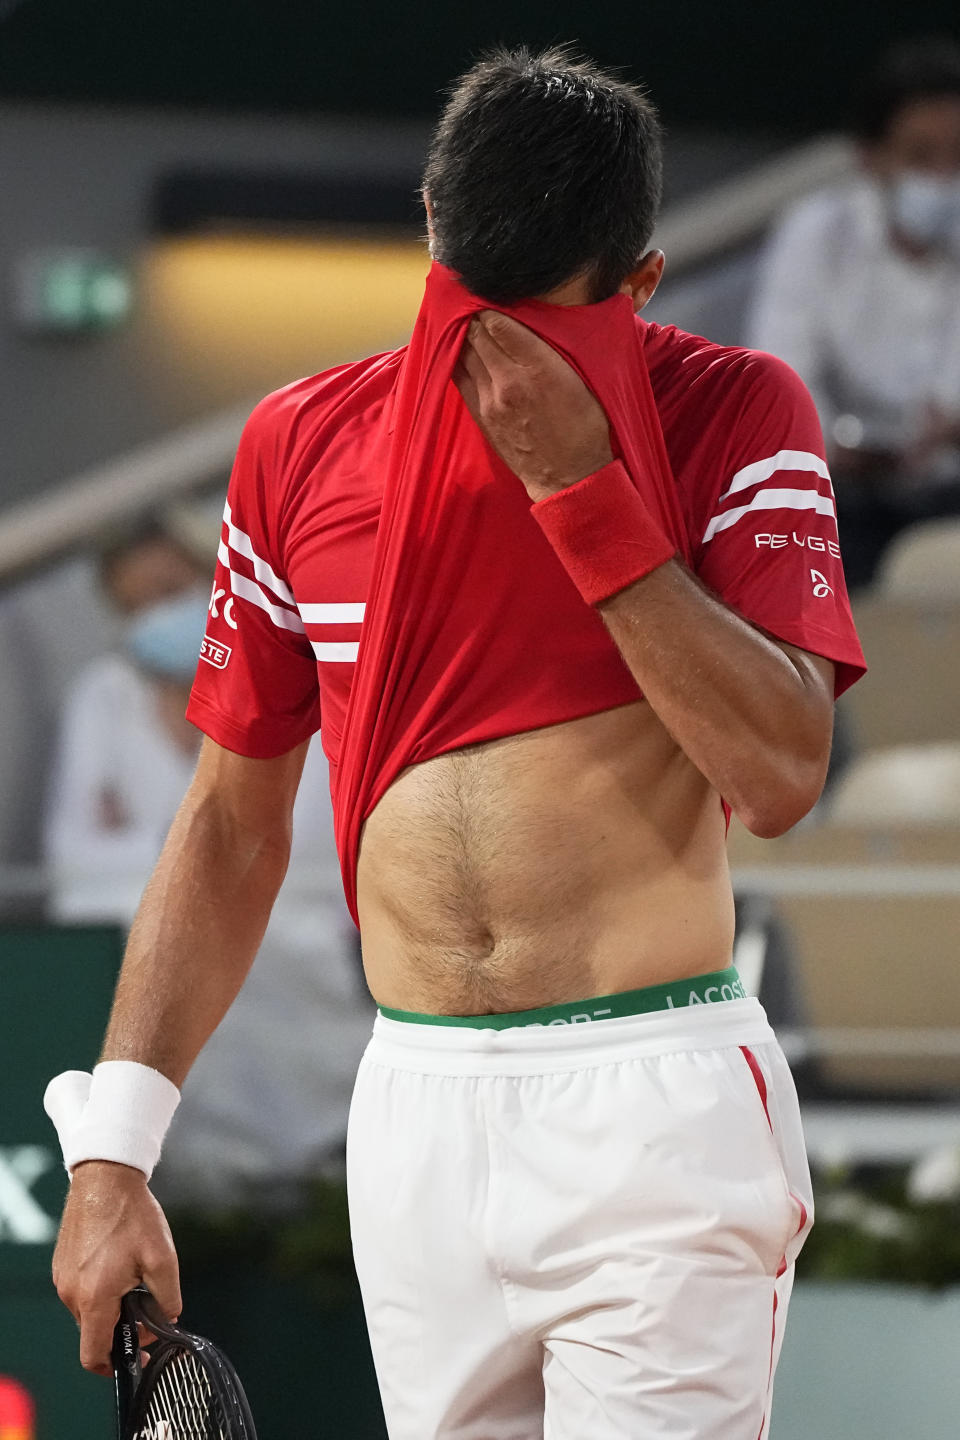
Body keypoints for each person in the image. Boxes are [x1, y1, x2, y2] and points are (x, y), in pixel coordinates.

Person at [47, 49, 865, 1440]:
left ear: (642, 283)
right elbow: (231, 827)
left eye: (545, 324)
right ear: (432, 226)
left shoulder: (731, 411)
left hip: (652, 1108)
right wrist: (113, 1154)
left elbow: (783, 771)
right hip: (418, 1109)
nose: (495, 362)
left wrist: (583, 495)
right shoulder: (299, 444)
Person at [44, 517, 370, 1204]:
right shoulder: (105, 695)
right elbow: (73, 867)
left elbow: (304, 835)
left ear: (211, 575)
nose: (157, 615)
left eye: (170, 588)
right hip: (160, 944)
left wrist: (160, 845)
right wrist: (189, 847)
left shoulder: (293, 669)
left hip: (302, 947)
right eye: (134, 606)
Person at [749, 37, 960, 589]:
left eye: (958, 156)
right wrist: (839, 446)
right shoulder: (816, 234)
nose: (944, 176)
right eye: (921, 156)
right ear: (872, 158)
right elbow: (780, 376)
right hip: (845, 492)